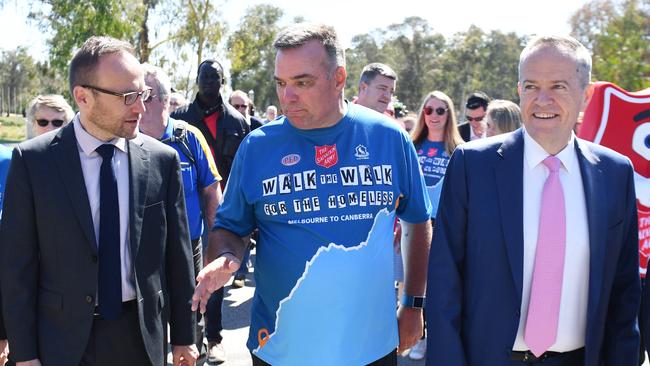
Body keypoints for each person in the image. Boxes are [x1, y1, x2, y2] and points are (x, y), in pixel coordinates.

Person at [192, 22, 432, 366]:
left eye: (302, 82)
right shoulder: (258, 147)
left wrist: (413, 304)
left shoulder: (388, 138)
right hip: (281, 346)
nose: (287, 97)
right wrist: (226, 257)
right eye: (281, 83)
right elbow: (230, 228)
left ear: (339, 78)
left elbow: (417, 220)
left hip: (369, 345)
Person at [426, 35, 640, 365]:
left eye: (558, 86)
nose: (542, 100)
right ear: (518, 90)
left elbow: (624, 292)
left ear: (585, 96)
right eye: (530, 86)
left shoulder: (614, 173)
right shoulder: (473, 166)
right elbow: (444, 280)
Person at [0, 36, 198, 366]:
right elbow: (16, 265)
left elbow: (178, 258)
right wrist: (24, 352)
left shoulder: (162, 160)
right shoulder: (33, 161)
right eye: (127, 97)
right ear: (83, 97)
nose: (140, 108)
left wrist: (184, 337)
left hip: (140, 339)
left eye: (143, 95)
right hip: (60, 342)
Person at [139, 63, 223, 363]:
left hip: (190, 247)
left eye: (143, 94)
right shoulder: (124, 140)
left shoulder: (189, 138)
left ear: (160, 99)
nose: (134, 101)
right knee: (146, 318)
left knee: (191, 314)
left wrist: (217, 248)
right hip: (141, 252)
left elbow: (212, 192)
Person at [406, 90, 464, 360]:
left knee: (441, 285)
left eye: (441, 110)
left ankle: (436, 336)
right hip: (413, 226)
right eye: (429, 110)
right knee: (412, 283)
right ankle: (418, 335)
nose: (434, 115)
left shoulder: (459, 150)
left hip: (444, 226)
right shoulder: (411, 146)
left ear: (449, 115)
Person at [170, 59, 249, 186]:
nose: (209, 81)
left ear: (222, 82)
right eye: (205, 76)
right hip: (190, 200)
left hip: (227, 200)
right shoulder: (178, 118)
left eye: (214, 76)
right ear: (197, 80)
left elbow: (247, 167)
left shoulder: (237, 122)